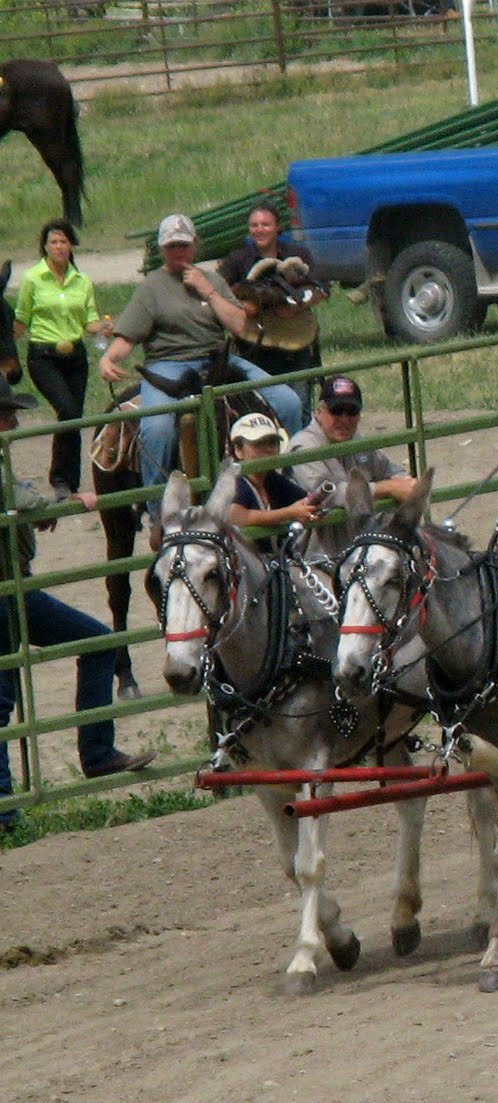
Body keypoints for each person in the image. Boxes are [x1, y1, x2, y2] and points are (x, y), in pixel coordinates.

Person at [0, 377, 154, 829]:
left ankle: (95, 755)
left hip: (14, 588)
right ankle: (6, 811)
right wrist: (58, 505)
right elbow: (17, 496)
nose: (13, 420)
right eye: (7, 414)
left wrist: (26, 518)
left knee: (97, 643)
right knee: (3, 694)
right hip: (7, 592)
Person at [97, 213, 304, 494]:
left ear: (196, 245)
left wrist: (208, 291)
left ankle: (291, 480)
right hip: (168, 364)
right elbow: (128, 336)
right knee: (157, 428)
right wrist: (109, 358)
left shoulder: (213, 281)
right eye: (172, 246)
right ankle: (158, 507)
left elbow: (238, 323)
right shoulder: (151, 287)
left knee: (288, 401)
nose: (178, 252)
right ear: (162, 250)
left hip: (218, 360)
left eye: (183, 245)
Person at [11, 218, 107, 501]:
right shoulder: (33, 279)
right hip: (44, 356)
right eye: (53, 242)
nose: (59, 247)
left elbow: (88, 321)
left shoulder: (83, 281)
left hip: (75, 357)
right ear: (45, 246)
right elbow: (21, 320)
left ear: (71, 245)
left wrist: (103, 327)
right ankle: (59, 478)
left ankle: (70, 484)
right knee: (66, 409)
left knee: (74, 417)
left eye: (63, 241)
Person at [218, 201, 328, 421]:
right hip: (254, 348)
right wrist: (245, 306)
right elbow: (218, 293)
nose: (260, 229)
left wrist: (297, 307)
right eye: (255, 225)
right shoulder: (238, 260)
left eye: (265, 224)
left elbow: (322, 289)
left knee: (299, 406)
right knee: (257, 407)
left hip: (296, 345)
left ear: (278, 227)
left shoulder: (298, 254)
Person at [288, 375, 416, 510]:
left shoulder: (355, 439)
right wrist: (386, 488)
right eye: (336, 411)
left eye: (351, 411)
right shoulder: (303, 446)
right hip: (317, 529)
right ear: (319, 412)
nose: (344, 419)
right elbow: (327, 496)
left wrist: (406, 483)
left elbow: (388, 470)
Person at [227, 413, 318, 550]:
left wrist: (310, 504)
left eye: (272, 443)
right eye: (258, 444)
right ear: (238, 450)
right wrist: (290, 513)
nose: (268, 450)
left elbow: (303, 499)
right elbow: (235, 516)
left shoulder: (272, 479)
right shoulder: (236, 481)